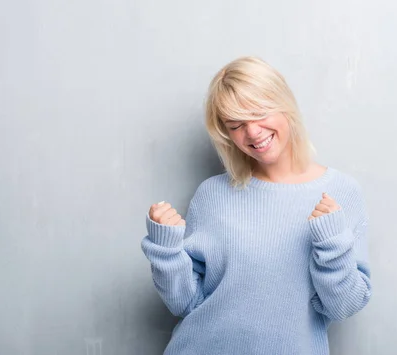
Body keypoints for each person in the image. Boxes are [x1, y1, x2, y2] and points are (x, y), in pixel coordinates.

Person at [141, 56, 372, 354]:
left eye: (258, 113)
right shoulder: (212, 194)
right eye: (236, 125)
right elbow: (185, 302)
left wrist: (332, 246)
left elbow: (343, 307)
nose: (252, 133)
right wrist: (166, 250)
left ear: (284, 104)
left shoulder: (341, 192)